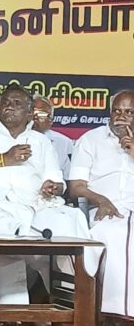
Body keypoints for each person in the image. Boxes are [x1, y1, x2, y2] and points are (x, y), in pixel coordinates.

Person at [0, 83, 90, 305]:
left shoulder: (41, 141)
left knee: (72, 219)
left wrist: (53, 187)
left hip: (36, 208)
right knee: (5, 236)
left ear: (29, 113)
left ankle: (74, 300)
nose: (9, 107)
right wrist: (4, 159)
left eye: (17, 104)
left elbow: (57, 181)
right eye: (5, 102)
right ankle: (13, 308)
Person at [69, 89, 134, 320]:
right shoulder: (91, 140)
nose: (121, 117)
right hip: (103, 211)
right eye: (117, 111)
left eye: (129, 112)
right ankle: (119, 314)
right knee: (118, 234)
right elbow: (76, 186)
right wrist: (101, 200)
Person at [32, 94, 73, 180]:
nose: (34, 118)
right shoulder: (12, 138)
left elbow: (71, 179)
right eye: (31, 112)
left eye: (41, 114)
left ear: (51, 120)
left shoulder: (64, 143)